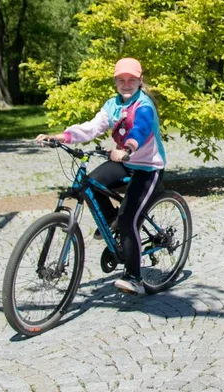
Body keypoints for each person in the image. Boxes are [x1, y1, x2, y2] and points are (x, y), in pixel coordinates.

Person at [36, 57, 166, 296]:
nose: (126, 84)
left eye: (132, 80)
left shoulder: (144, 105)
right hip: (123, 162)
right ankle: (111, 220)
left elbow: (141, 129)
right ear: (115, 81)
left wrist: (127, 148)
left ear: (140, 80)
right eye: (121, 80)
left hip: (147, 166)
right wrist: (61, 137)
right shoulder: (112, 104)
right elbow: (92, 127)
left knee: (129, 221)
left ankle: (135, 277)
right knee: (91, 184)